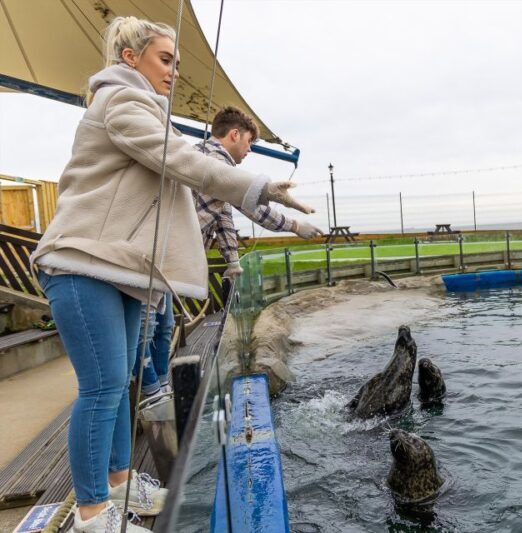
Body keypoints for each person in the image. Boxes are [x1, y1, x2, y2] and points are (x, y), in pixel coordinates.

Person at [29, 16, 314, 533]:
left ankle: (118, 482)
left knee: (119, 386)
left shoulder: (146, 113)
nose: (175, 72)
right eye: (166, 60)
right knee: (103, 386)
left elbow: (185, 169)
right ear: (130, 59)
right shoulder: (120, 101)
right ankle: (93, 514)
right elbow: (182, 160)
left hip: (117, 269)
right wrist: (260, 188)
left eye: (179, 64)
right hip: (81, 262)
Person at [194, 105, 323, 280]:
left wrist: (233, 262)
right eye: (249, 141)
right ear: (235, 135)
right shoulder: (216, 161)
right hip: (166, 255)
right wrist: (295, 226)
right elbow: (253, 206)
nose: (250, 149)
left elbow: (222, 215)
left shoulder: (202, 155)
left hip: (173, 255)